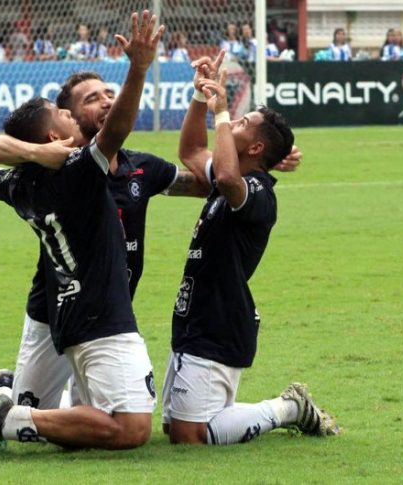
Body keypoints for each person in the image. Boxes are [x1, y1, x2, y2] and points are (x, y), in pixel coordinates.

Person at [0, 49, 303, 425]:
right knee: (38, 410)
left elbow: (206, 178)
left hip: (109, 310)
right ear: (68, 120)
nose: (106, 100)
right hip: (51, 310)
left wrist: (258, 163)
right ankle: (9, 395)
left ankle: (12, 398)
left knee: (89, 417)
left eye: (108, 93)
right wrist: (39, 151)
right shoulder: (59, 175)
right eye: (90, 99)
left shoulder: (139, 169)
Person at [0, 10, 166, 455]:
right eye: (65, 115)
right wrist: (139, 68)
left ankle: (11, 399)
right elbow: (118, 127)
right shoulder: (78, 170)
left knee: (74, 425)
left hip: (65, 309)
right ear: (55, 134)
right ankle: (9, 418)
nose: (72, 117)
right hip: (99, 312)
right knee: (129, 429)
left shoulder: (21, 183)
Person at [161, 55, 339, 445]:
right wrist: (199, 93)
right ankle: (279, 410)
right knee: (175, 428)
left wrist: (222, 113)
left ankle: (288, 408)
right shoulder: (237, 175)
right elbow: (191, 149)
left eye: (243, 123)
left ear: (256, 147)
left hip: (221, 321)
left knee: (190, 436)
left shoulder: (256, 191)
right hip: (196, 316)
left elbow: (225, 176)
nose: (233, 122)